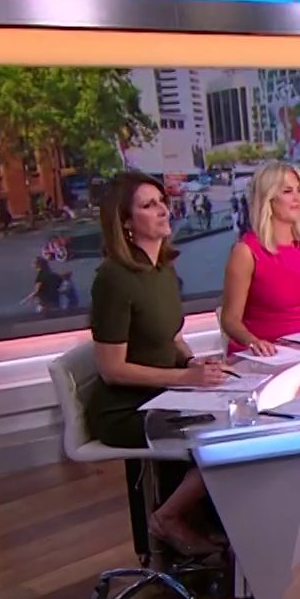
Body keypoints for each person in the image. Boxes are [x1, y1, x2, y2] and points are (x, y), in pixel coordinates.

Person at [86, 172, 231, 555]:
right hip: (127, 409)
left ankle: (214, 526)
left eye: (161, 201)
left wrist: (196, 362)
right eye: (148, 205)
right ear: (126, 222)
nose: (163, 209)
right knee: (221, 435)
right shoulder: (113, 279)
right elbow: (112, 369)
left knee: (239, 418)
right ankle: (167, 517)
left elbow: (172, 336)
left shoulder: (162, 269)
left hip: (167, 393)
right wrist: (186, 377)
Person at [220, 159, 300, 355]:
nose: (297, 198)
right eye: (287, 191)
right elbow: (230, 320)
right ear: (268, 198)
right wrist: (253, 342)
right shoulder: (246, 252)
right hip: (267, 354)